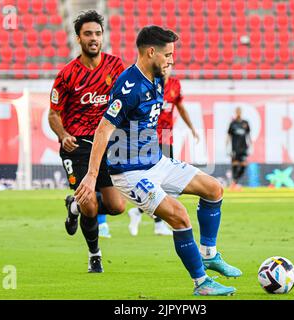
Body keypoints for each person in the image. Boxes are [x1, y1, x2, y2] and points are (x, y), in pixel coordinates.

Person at [74, 26, 242, 296]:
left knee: (214, 189)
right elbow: (104, 128)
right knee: (179, 216)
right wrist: (93, 174)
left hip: (156, 162)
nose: (171, 60)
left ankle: (209, 255)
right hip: (129, 172)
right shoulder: (129, 86)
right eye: (168, 54)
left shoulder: (158, 78)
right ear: (150, 52)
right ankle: (202, 284)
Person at [48, 10, 126, 273]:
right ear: (78, 38)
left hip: (107, 145)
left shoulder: (116, 66)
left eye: (98, 34)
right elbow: (53, 113)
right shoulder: (67, 75)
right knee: (90, 202)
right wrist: (63, 135)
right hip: (78, 147)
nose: (94, 38)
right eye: (88, 34)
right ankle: (95, 255)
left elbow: (126, 100)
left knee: (117, 206)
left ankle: (75, 204)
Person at [127, 65, 200, 237]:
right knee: (154, 181)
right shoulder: (150, 84)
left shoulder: (175, 85)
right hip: (148, 138)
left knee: (164, 182)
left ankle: (139, 213)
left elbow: (180, 108)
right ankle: (158, 223)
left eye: (169, 65)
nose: (166, 69)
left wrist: (192, 128)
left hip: (167, 138)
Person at [227, 107, 252, 189]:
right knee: (235, 163)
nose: (238, 113)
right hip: (235, 148)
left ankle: (234, 182)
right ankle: (234, 183)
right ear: (235, 112)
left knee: (244, 164)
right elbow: (229, 136)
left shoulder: (245, 123)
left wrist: (251, 145)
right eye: (237, 111)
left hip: (243, 147)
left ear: (241, 112)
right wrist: (227, 147)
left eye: (239, 111)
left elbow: (248, 135)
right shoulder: (233, 123)